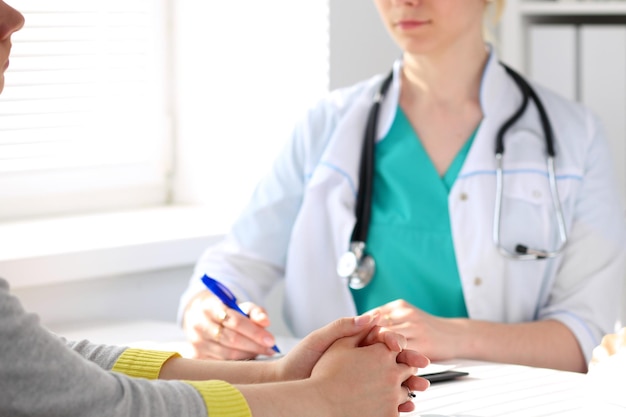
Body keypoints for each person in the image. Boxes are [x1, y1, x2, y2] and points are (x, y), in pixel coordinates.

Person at [0, 2, 430, 416]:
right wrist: (319, 400)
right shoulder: (333, 121)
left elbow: (49, 367)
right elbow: (89, 402)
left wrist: (283, 376)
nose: (15, 17)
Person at [179, 0, 626, 373]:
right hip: (333, 403)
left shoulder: (573, 136)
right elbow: (236, 264)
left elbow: (585, 334)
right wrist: (206, 313)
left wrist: (452, 335)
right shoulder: (327, 125)